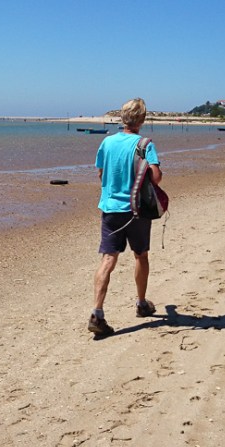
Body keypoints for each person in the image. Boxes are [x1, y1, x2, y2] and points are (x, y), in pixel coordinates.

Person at [88, 98, 162, 336]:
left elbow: (101, 174)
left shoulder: (107, 142)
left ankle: (97, 312)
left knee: (108, 259)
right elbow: (156, 177)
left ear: (122, 118)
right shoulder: (144, 144)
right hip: (136, 210)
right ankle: (141, 303)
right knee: (140, 255)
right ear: (142, 119)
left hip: (110, 209)